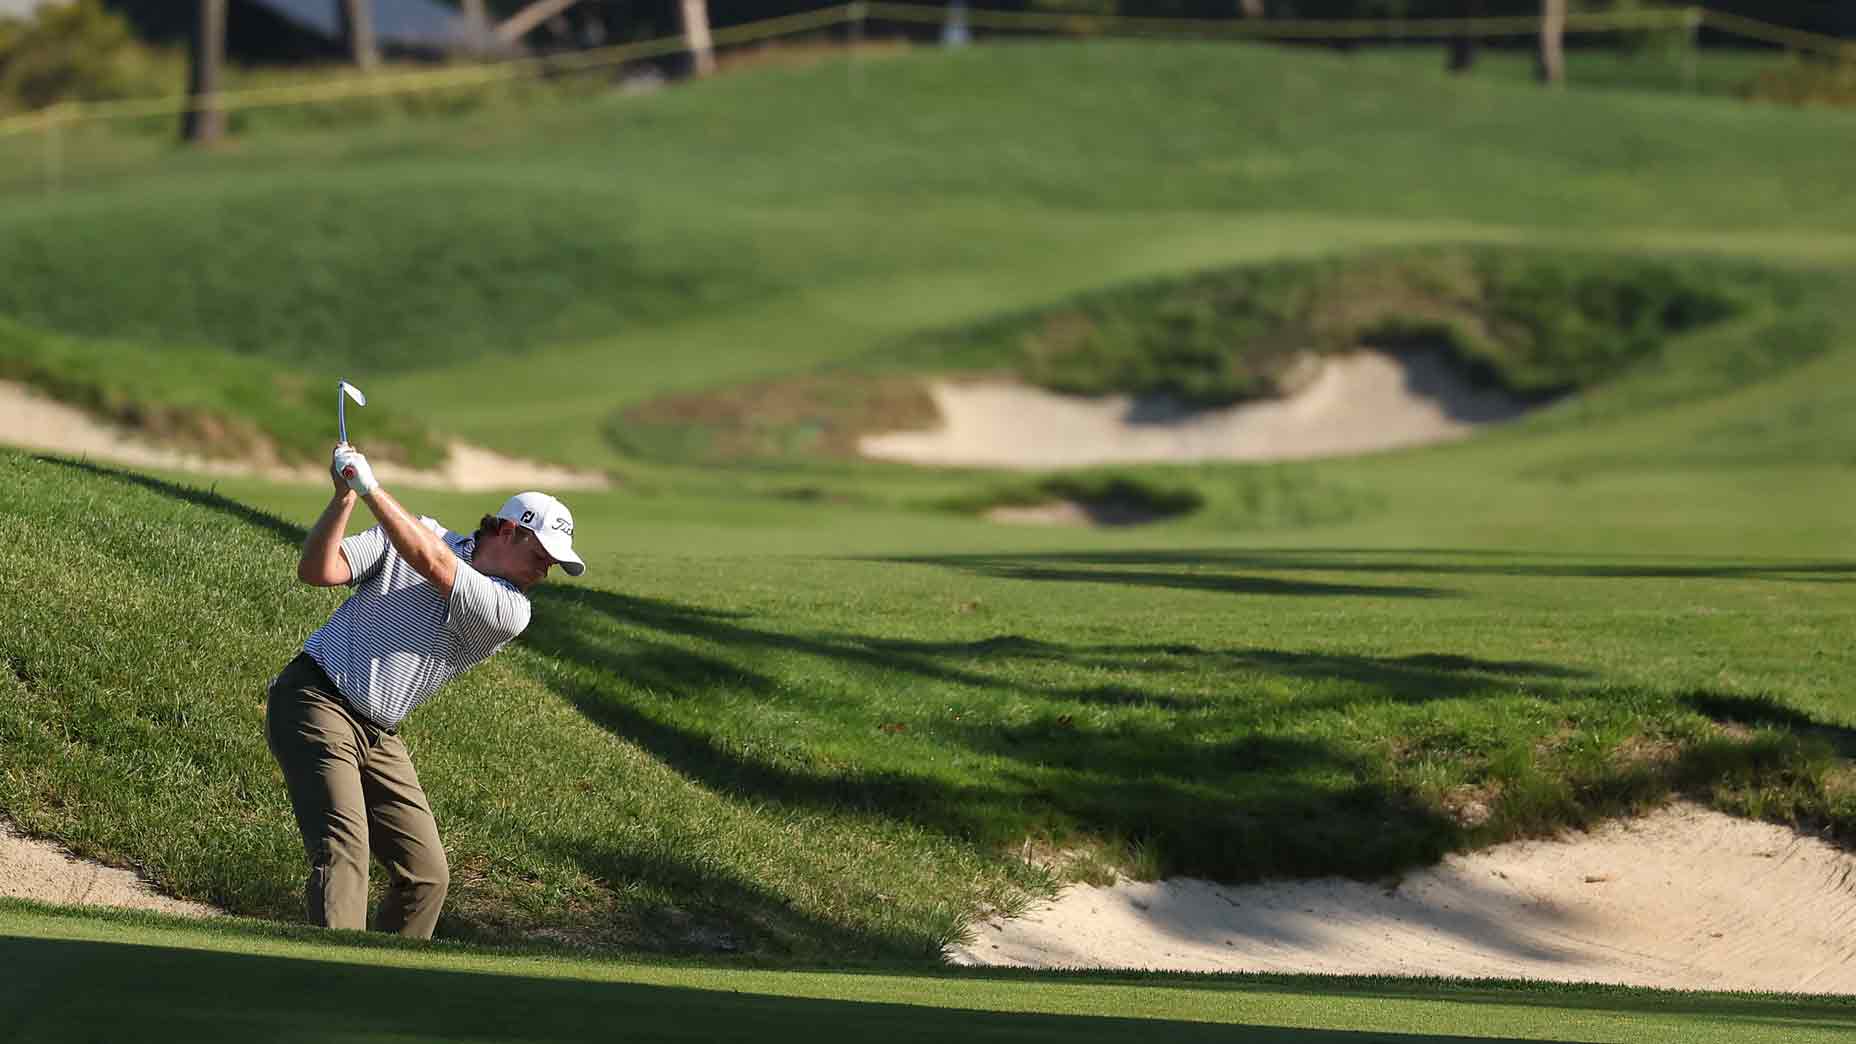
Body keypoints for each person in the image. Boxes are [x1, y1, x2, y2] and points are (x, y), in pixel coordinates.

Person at [265, 441, 584, 938]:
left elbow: (435, 564)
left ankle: (391, 973)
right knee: (344, 850)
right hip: (315, 699)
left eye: (554, 563)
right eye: (541, 554)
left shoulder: (510, 610)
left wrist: (369, 488)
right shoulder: (418, 532)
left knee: (427, 876)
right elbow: (318, 571)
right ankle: (334, 974)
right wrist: (344, 499)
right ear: (507, 530)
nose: (546, 570)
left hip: (378, 733)